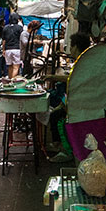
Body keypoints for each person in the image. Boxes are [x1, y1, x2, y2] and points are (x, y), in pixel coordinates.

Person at [42, 31, 92, 162]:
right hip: (75, 100)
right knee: (55, 113)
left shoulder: (83, 62)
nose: (70, 49)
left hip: (81, 104)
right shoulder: (83, 60)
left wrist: (52, 77)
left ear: (76, 47)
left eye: (71, 46)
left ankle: (66, 151)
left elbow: (73, 79)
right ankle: (59, 146)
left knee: (58, 118)